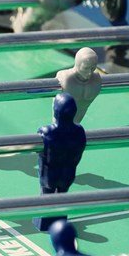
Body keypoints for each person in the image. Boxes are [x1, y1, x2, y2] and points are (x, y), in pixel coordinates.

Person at [36, 92, 87, 229]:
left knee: (46, 196)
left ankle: (44, 222)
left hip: (50, 173)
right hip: (68, 172)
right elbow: (79, 151)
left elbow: (40, 142)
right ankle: (59, 219)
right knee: (62, 196)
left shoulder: (47, 132)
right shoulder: (79, 131)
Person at [55, 47, 102, 121]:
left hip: (78, 121)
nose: (90, 73)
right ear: (77, 64)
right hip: (61, 120)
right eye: (86, 68)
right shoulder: (65, 77)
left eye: (93, 68)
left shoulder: (96, 79)